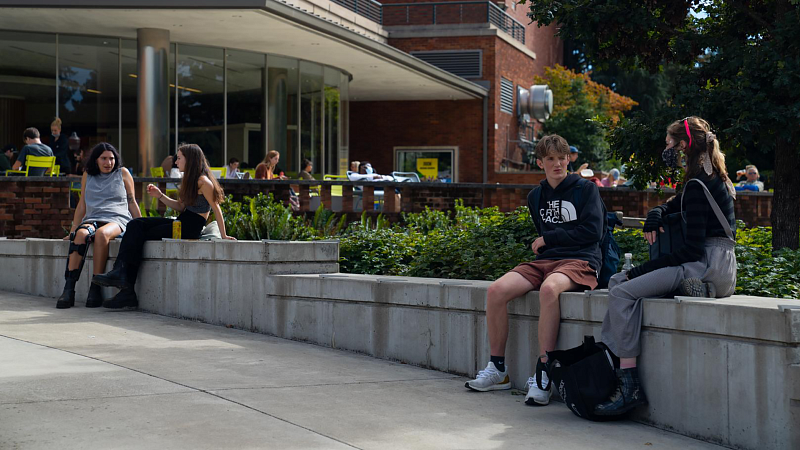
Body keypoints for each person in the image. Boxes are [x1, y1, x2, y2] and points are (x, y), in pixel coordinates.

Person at [595, 116, 737, 416]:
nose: (667, 148)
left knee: (622, 289)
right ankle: (615, 364)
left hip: (704, 264)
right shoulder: (707, 178)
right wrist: (655, 213)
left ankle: (628, 385)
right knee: (620, 282)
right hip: (717, 265)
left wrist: (643, 270)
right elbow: (673, 204)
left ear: (685, 145)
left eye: (670, 143)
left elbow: (691, 250)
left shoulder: (699, 185)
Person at [464, 134, 605, 407]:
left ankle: (544, 374)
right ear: (540, 162)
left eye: (562, 158)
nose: (558, 164)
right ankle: (498, 370)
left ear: (568, 160)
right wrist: (549, 243)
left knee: (550, 289)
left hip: (581, 260)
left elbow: (593, 232)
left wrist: (551, 239)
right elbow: (545, 238)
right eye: (551, 159)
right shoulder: (536, 196)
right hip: (546, 261)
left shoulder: (585, 190)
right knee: (496, 290)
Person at [92, 143, 237, 308]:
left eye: (179, 158)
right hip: (182, 221)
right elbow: (181, 207)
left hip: (189, 228)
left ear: (189, 160)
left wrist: (224, 235)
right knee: (135, 224)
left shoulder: (203, 182)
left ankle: (124, 285)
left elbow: (216, 209)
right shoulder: (189, 180)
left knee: (139, 233)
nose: (176, 162)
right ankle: (121, 277)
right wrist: (159, 195)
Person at [56, 143, 141, 309]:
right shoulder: (88, 174)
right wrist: (73, 230)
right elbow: (82, 204)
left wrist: (141, 225)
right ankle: (69, 288)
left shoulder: (122, 173)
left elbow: (131, 201)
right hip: (93, 217)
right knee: (80, 236)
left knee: (102, 234)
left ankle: (95, 288)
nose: (108, 162)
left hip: (117, 219)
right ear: (96, 160)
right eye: (104, 158)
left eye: (111, 158)